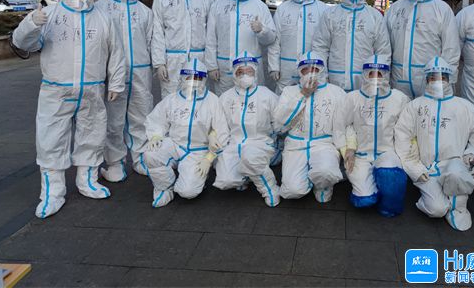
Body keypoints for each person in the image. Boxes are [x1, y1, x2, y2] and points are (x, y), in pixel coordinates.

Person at [13, 0, 125, 218]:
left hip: (92, 89)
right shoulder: (51, 14)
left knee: (93, 135)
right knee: (51, 139)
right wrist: (31, 24)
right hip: (56, 90)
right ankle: (52, 193)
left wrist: (116, 83)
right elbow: (23, 44)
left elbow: (116, 52)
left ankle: (88, 181)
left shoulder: (103, 17)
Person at [394, 57, 474, 231]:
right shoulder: (415, 106)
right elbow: (403, 138)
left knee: (457, 174)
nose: (438, 81)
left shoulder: (465, 107)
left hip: (455, 166)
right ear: (426, 79)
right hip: (426, 169)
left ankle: (458, 206)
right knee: (436, 209)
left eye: (442, 77)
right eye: (433, 77)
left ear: (449, 79)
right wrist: (416, 170)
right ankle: (441, 199)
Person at [95, 0, 154, 182]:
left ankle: (141, 158)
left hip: (140, 70)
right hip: (112, 73)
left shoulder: (145, 12)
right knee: (114, 120)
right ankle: (115, 163)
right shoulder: (100, 8)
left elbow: (151, 41)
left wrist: (156, 64)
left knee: (142, 116)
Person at [143, 59, 229, 208]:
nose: (193, 81)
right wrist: (156, 135)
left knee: (188, 192)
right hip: (175, 144)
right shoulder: (172, 99)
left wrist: (209, 157)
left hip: (198, 151)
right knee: (151, 154)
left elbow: (222, 132)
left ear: (204, 79)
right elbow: (156, 119)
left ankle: (192, 178)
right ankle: (164, 187)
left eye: (198, 78)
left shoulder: (212, 101)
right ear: (183, 77)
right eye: (189, 77)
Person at [334, 56, 410, 217]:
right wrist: (347, 149)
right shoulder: (353, 98)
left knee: (391, 179)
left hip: (387, 153)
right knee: (364, 200)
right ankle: (373, 183)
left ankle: (386, 195)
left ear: (386, 75)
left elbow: (406, 130)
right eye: (371, 73)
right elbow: (342, 125)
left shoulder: (399, 99)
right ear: (364, 74)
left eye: (379, 74)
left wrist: (405, 157)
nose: (375, 78)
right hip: (360, 156)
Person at [274, 51, 345, 202]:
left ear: (322, 70)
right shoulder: (289, 91)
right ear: (300, 72)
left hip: (324, 144)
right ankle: (308, 177)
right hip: (295, 145)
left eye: (315, 69)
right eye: (306, 69)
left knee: (327, 172)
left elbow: (343, 124)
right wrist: (303, 94)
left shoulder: (336, 92)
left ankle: (322, 185)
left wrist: (344, 149)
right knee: (292, 191)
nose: (310, 73)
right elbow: (280, 122)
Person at [213, 53, 281, 206]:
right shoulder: (226, 97)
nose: (244, 75)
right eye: (240, 72)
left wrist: (276, 142)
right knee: (226, 180)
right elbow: (221, 127)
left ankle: (270, 189)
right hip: (234, 144)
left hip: (260, 143)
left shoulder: (266, 95)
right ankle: (247, 175)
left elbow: (279, 122)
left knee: (251, 158)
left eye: (249, 71)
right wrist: (215, 152)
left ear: (255, 72)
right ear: (234, 74)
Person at [384, 0, 460, 98]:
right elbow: (385, 45)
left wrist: (447, 80)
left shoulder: (441, 9)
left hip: (430, 78)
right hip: (398, 78)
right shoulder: (396, 9)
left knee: (427, 110)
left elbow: (451, 48)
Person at [312, 0, 391, 92]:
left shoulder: (374, 16)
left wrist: (377, 81)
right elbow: (320, 48)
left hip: (365, 84)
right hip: (335, 82)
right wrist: (322, 78)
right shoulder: (330, 15)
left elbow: (382, 51)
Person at [205, 0, 277, 95]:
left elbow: (271, 39)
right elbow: (211, 38)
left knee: (253, 102)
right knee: (225, 102)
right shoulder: (218, 6)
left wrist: (262, 30)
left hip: (251, 68)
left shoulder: (260, 6)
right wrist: (212, 66)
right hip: (225, 69)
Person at [151, 0, 214, 97]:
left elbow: (211, 34)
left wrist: (211, 64)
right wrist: (159, 63)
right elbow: (158, 32)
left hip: (199, 59)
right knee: (171, 99)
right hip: (172, 61)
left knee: (198, 99)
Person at [268, 0, 328, 94]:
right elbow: (275, 41)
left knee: (312, 99)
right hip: (286, 68)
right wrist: (274, 66)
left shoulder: (323, 10)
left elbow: (327, 43)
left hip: (312, 67)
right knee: (284, 99)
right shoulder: (283, 9)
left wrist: (324, 70)